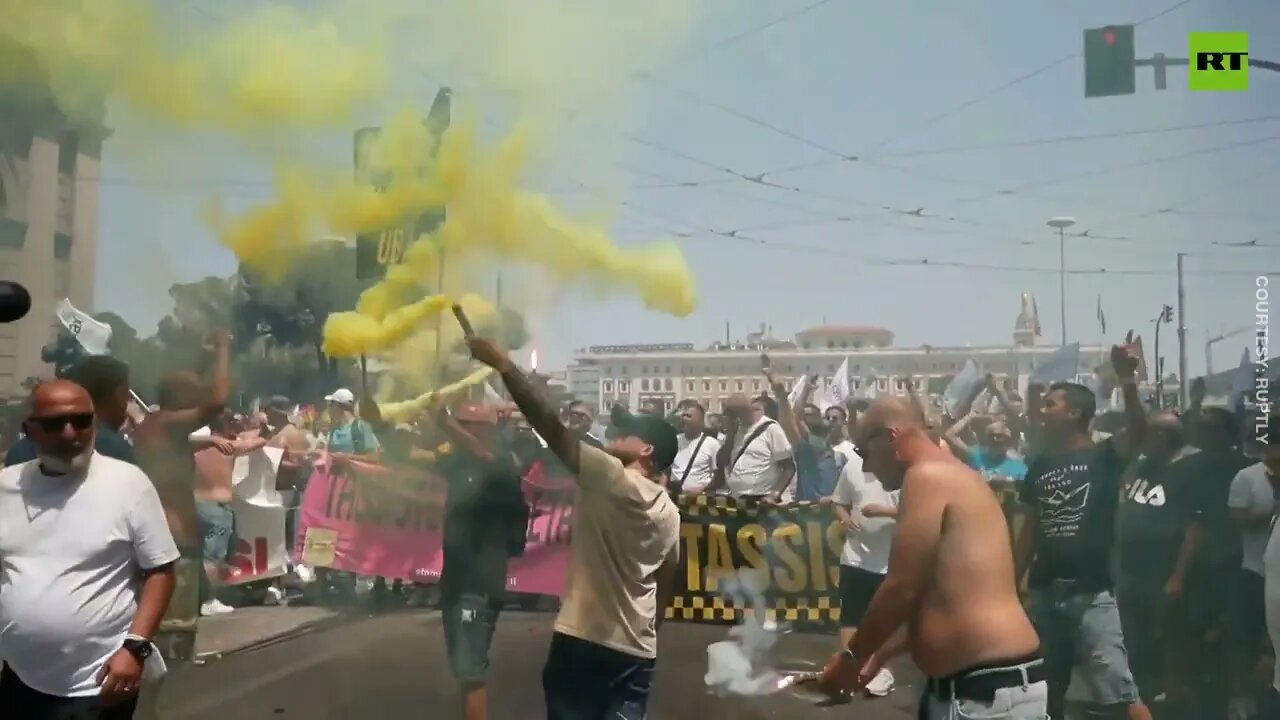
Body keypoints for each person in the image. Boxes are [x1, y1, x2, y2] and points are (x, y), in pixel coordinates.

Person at [466, 336, 681, 720]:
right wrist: (648, 636)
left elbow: (549, 425)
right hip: (636, 651)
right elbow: (665, 583)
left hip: (584, 640)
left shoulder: (610, 475)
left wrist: (504, 366)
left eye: (628, 430)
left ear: (647, 451)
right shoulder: (671, 511)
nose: (616, 434)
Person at [817, 395, 1045, 719]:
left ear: (890, 436)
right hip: (981, 686)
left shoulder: (927, 476)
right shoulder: (950, 474)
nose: (865, 466)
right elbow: (946, 596)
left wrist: (852, 658)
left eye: (863, 452)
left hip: (986, 690)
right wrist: (881, 654)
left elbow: (901, 587)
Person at [0, 380, 178, 719]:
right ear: (29, 429)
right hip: (21, 678)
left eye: (81, 421)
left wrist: (135, 647)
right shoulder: (7, 486)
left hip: (98, 683)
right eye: (55, 424)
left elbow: (160, 570)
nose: (70, 433)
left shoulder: (128, 484)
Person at [1014, 335, 1151, 720]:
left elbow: (1139, 430)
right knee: (1047, 692)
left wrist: (1127, 381)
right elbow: (1031, 531)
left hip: (1092, 597)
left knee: (1120, 695)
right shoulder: (1040, 465)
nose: (1043, 410)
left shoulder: (1106, 455)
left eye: (1051, 404)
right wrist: (1011, 585)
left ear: (1075, 413)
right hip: (1045, 595)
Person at [433, 402, 527, 720]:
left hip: (480, 585)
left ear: (482, 429)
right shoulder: (458, 463)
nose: (459, 429)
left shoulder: (501, 463)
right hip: (455, 582)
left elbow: (487, 458)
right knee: (462, 669)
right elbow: (411, 458)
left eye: (465, 424)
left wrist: (447, 423)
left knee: (471, 672)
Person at [5, 355, 137, 466]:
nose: (128, 402)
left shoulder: (18, 451)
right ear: (115, 396)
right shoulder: (117, 450)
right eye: (126, 393)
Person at [671, 401, 720, 495]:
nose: (684, 419)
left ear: (701, 421)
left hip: (699, 500)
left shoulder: (711, 444)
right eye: (683, 416)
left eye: (688, 416)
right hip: (675, 498)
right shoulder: (674, 441)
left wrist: (702, 490)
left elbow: (719, 475)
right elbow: (666, 470)